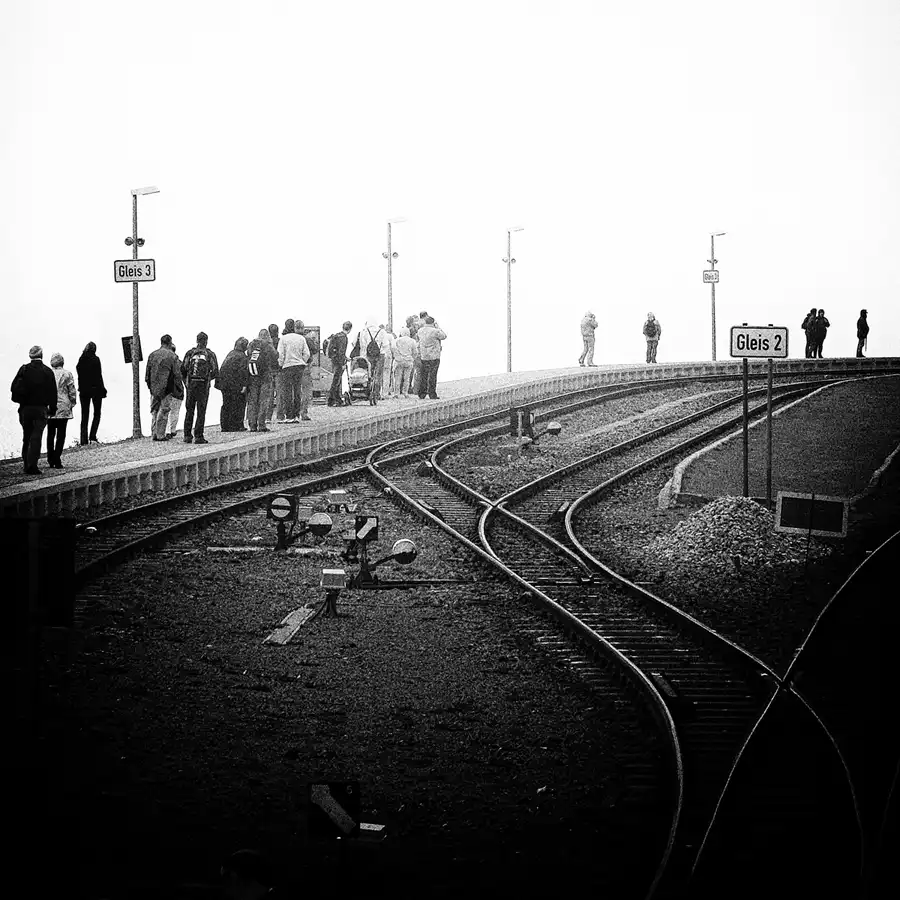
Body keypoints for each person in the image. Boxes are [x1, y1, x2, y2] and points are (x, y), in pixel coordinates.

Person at [10, 345, 57, 475]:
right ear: (41, 355)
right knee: (36, 436)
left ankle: (26, 463)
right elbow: (53, 393)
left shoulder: (24, 369)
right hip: (41, 408)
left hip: (25, 408)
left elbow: (13, 387)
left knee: (26, 436)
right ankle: (32, 465)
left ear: (30, 356)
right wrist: (52, 409)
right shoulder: (47, 371)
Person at [181, 331, 219, 444]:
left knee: (189, 410)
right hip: (203, 386)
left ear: (197, 340)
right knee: (201, 411)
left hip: (191, 385)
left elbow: (183, 369)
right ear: (206, 341)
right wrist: (207, 379)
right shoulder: (210, 354)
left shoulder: (190, 353)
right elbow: (216, 371)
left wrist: (187, 382)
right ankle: (199, 436)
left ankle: (187, 436)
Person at [145, 334, 180, 441]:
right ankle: (160, 435)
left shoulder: (152, 355)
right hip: (167, 389)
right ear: (170, 343)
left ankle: (154, 433)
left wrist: (150, 387)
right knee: (164, 411)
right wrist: (176, 389)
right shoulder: (172, 356)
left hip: (154, 388)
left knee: (155, 410)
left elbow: (147, 374)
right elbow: (176, 374)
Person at [46, 352, 77, 468]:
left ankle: (50, 458)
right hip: (64, 405)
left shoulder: (48, 373)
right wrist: (72, 403)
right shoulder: (67, 374)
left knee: (50, 433)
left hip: (51, 406)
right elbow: (72, 390)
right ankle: (57, 458)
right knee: (61, 434)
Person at [277, 319, 310, 422]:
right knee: (297, 390)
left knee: (287, 391)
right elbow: (307, 353)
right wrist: (302, 361)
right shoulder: (301, 338)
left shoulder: (283, 339)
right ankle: (296, 414)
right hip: (299, 366)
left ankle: (289, 416)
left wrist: (281, 364)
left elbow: (280, 354)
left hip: (287, 366)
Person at [246, 329, 279, 431]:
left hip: (253, 376)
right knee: (263, 400)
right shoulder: (268, 345)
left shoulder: (252, 344)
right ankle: (261, 424)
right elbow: (275, 357)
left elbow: (248, 355)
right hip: (265, 376)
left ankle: (252, 425)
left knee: (252, 401)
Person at [352, 320, 391, 404]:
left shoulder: (364, 331)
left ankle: (367, 391)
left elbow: (362, 345)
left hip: (368, 355)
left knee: (369, 373)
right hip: (380, 355)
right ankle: (376, 394)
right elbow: (386, 345)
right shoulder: (382, 332)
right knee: (378, 375)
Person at [76, 341, 107, 444]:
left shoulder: (81, 360)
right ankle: (92, 437)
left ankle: (83, 440)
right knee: (97, 413)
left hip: (84, 391)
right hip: (96, 390)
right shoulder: (95, 359)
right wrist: (103, 389)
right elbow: (99, 376)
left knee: (84, 415)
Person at [217, 337, 250, 431]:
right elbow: (243, 372)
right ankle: (237, 425)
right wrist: (244, 385)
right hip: (235, 384)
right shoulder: (243, 357)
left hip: (224, 383)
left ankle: (225, 426)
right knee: (239, 404)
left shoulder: (230, 354)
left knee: (226, 404)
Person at [416, 315, 447, 400]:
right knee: (433, 375)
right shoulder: (435, 331)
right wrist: (438, 327)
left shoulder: (420, 331)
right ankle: (432, 394)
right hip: (434, 356)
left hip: (424, 356)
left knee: (424, 375)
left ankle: (422, 393)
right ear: (433, 323)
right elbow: (444, 336)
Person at [325, 321, 352, 406]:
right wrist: (343, 363)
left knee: (337, 379)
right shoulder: (344, 338)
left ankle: (337, 399)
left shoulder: (337, 335)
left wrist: (345, 357)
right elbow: (341, 351)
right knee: (336, 380)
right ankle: (331, 400)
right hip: (339, 362)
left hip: (334, 360)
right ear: (350, 329)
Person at [294, 320, 315, 420]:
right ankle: (303, 412)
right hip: (305, 366)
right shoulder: (307, 339)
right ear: (303, 328)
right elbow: (314, 350)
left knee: (295, 390)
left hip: (293, 367)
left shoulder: (291, 339)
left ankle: (293, 413)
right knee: (306, 390)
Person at [391, 326, 418, 396]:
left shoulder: (396, 340)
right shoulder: (412, 341)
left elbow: (393, 348)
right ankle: (405, 392)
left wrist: (397, 356)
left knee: (397, 377)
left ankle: (396, 393)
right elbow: (415, 352)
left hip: (399, 361)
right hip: (408, 360)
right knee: (407, 378)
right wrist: (412, 358)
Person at [165, 342, 184, 438]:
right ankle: (172, 430)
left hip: (168, 391)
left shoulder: (165, 363)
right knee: (175, 412)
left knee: (167, 411)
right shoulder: (180, 363)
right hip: (178, 391)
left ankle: (167, 431)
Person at [267, 323, 281, 425]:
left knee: (269, 395)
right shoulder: (280, 341)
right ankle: (280, 416)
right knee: (280, 394)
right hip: (279, 370)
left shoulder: (266, 343)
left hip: (269, 370)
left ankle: (268, 416)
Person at [380, 323, 396, 396]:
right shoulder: (390, 336)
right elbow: (393, 346)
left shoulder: (379, 335)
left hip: (380, 356)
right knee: (387, 374)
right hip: (388, 356)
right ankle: (385, 392)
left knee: (379, 374)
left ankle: (378, 391)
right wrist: (394, 355)